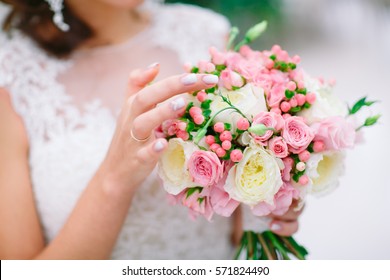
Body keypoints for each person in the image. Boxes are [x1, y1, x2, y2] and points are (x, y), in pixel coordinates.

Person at [0, 0, 302, 259]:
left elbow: (239, 237)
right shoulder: (10, 78)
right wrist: (116, 178)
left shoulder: (207, 33)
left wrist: (268, 204)